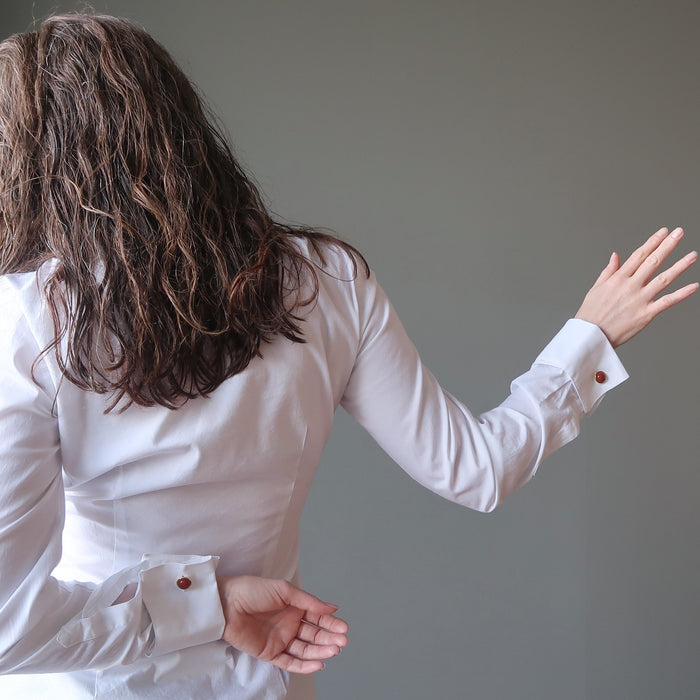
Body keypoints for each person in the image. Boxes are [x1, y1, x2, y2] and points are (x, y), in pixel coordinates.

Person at [0, 12, 695, 700]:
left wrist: (202, 605)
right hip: (269, 683)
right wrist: (589, 339)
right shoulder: (325, 280)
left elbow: (8, 629)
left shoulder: (28, 318)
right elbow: (476, 470)